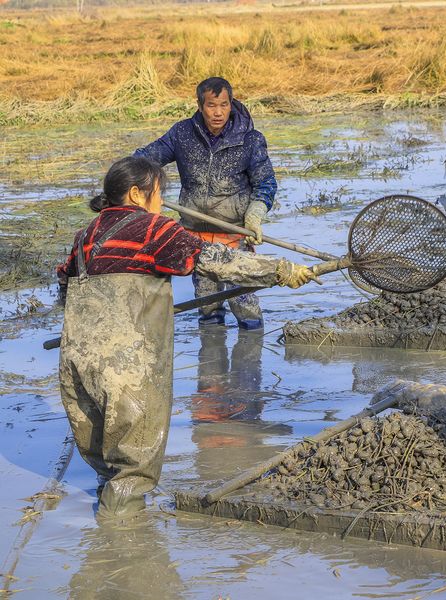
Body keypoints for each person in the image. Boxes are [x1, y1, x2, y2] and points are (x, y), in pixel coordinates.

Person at [57, 157, 315, 517]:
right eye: (159, 193)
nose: (162, 202)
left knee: (107, 468)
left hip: (76, 367)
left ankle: (103, 529)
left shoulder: (84, 235)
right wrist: (282, 271)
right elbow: (215, 259)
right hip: (127, 372)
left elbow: (65, 289)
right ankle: (120, 555)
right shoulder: (152, 229)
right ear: (136, 194)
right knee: (132, 475)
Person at [134, 76, 276, 330]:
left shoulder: (251, 140)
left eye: (224, 105)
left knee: (246, 310)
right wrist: (127, 177)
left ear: (231, 104)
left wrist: (255, 215)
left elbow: (266, 185)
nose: (218, 112)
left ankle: (251, 361)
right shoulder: (182, 134)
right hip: (196, 238)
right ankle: (211, 366)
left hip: (235, 235)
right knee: (209, 312)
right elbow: (145, 159)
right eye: (211, 105)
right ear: (200, 106)